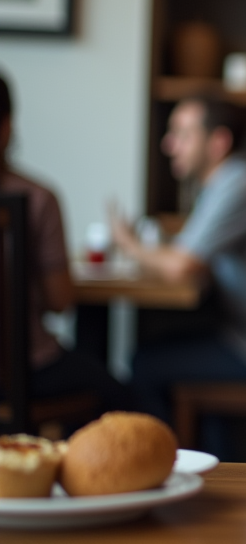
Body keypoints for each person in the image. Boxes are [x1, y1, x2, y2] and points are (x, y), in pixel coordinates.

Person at [111, 96, 246, 431]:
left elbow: (181, 266)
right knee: (163, 348)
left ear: (218, 142)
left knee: (144, 363)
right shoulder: (225, 184)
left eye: (182, 134)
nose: (169, 145)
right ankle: (204, 457)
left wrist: (128, 244)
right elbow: (185, 255)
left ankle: (167, 468)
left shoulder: (240, 184)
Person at [0, 72, 137, 427]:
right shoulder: (36, 199)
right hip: (23, 370)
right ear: (7, 126)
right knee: (122, 397)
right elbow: (60, 301)